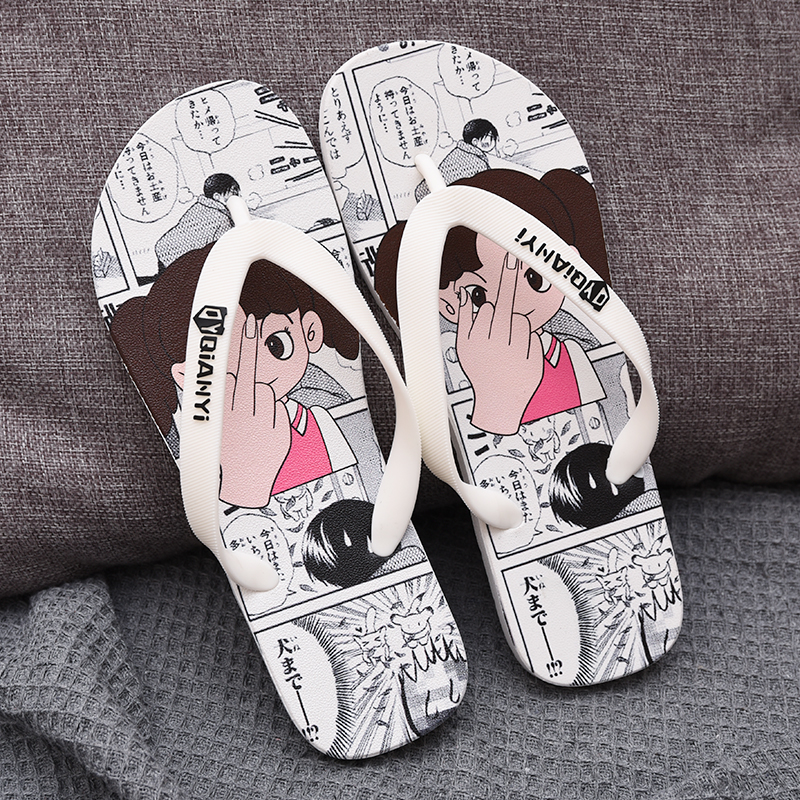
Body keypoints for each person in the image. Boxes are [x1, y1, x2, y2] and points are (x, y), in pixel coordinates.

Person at [111, 243, 361, 508]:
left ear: (310, 331)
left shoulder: (319, 423)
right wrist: (244, 482)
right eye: (224, 362)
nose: (251, 371)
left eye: (276, 345)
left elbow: (357, 486)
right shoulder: (201, 455)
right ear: (187, 376)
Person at [377, 168, 609, 436]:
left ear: (570, 261)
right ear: (446, 304)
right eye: (479, 295)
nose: (511, 304)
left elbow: (601, 418)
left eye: (534, 277)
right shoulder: (455, 369)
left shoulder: (571, 353)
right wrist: (494, 401)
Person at [154, 173, 240, 268]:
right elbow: (222, 250)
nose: (238, 197)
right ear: (217, 196)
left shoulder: (198, 207)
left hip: (164, 248)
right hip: (180, 260)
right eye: (234, 193)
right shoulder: (222, 218)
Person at [415, 118, 498, 201]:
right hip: (441, 201)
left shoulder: (457, 152)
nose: (493, 141)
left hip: (429, 197)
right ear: (475, 141)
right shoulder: (478, 163)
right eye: (490, 137)